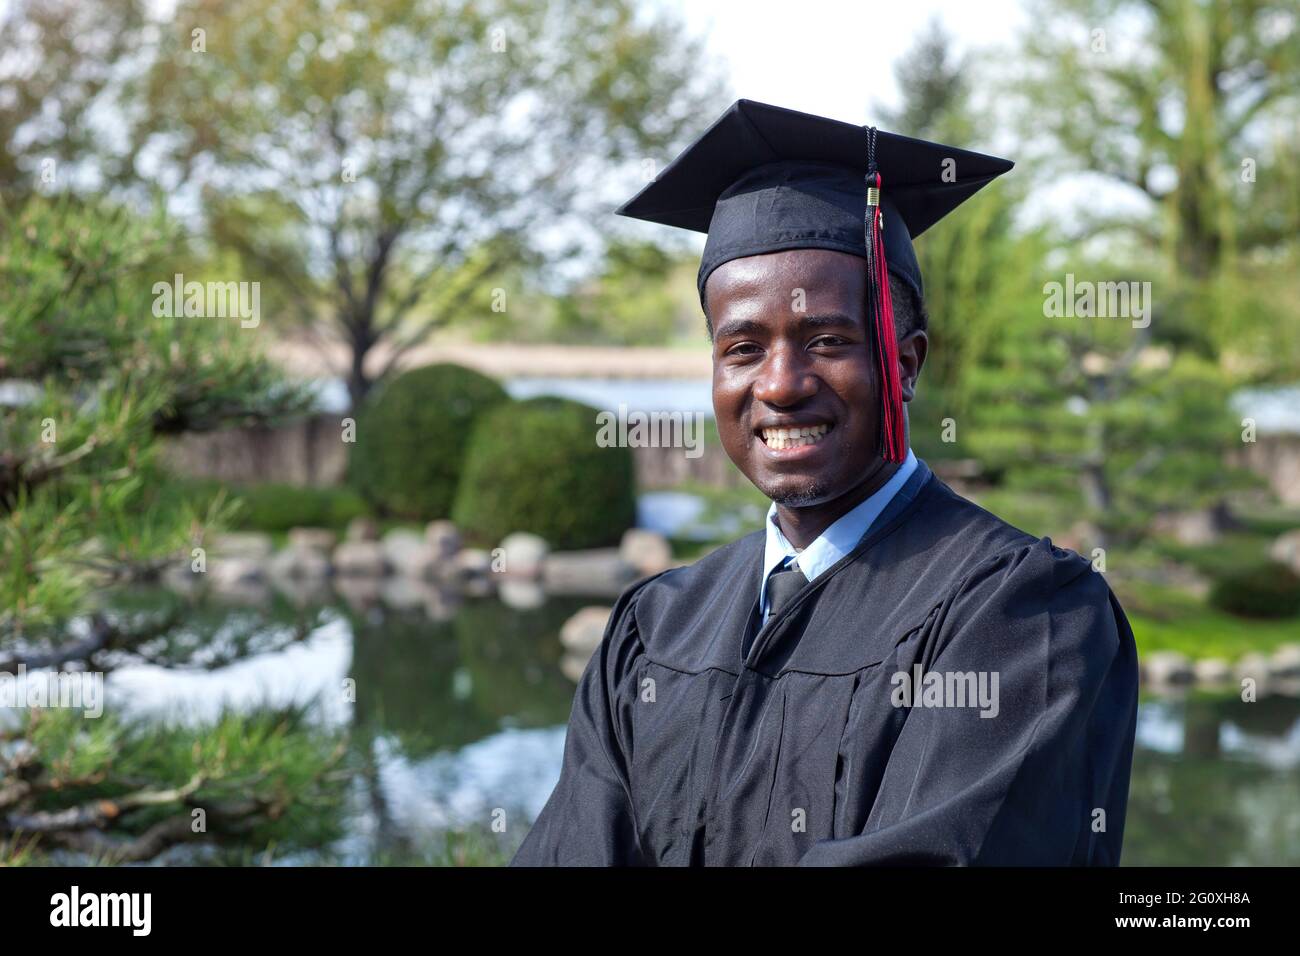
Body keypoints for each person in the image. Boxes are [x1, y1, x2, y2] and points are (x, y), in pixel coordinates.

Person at [512, 100, 1138, 866]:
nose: (780, 384)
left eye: (828, 340)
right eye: (742, 348)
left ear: (904, 364)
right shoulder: (658, 627)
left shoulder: (1021, 615)